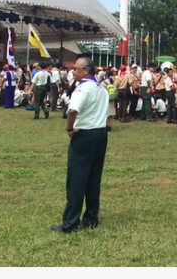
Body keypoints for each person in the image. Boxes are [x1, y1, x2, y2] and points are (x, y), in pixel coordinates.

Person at [52, 57, 109, 234]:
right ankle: (91, 217)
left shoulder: (83, 88)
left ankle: (70, 223)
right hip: (100, 133)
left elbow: (73, 110)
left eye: (76, 69)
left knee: (76, 179)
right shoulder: (101, 87)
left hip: (84, 134)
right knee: (93, 177)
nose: (73, 71)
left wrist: (69, 128)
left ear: (86, 71)